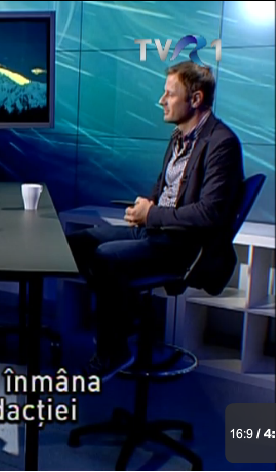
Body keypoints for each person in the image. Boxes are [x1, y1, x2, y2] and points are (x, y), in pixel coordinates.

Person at [68, 61, 245, 381]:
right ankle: (124, 321)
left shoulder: (222, 144)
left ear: (196, 99)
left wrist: (152, 214)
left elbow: (209, 213)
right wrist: (146, 206)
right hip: (157, 231)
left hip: (185, 246)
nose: (161, 100)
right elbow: (166, 189)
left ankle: (113, 349)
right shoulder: (178, 136)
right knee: (78, 243)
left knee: (105, 257)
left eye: (169, 94)